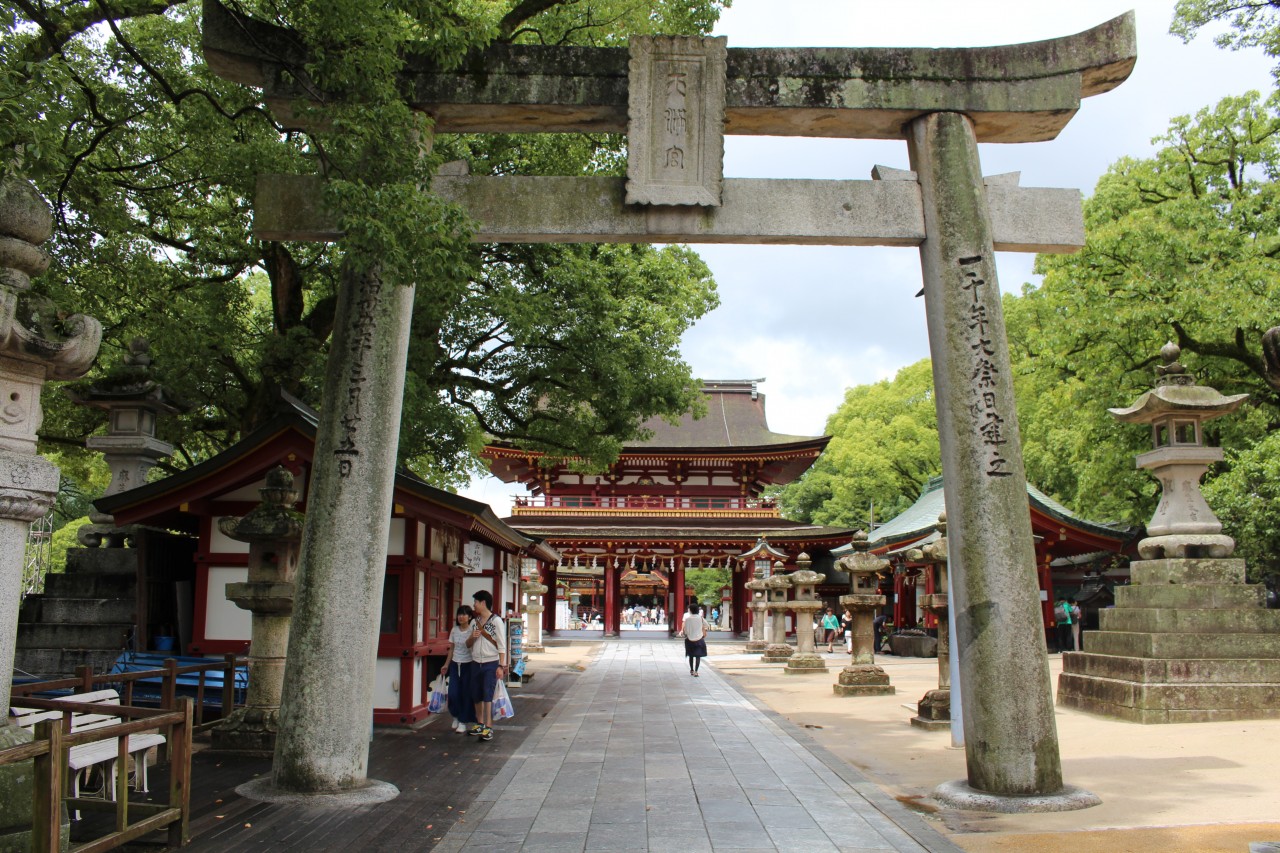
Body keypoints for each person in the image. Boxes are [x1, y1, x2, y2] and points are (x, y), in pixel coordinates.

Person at [466, 590, 507, 741]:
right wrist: (472, 637)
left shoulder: (496, 621)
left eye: (476, 602)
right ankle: (480, 723)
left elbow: (502, 645)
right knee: (476, 694)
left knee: (488, 694)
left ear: (483, 603)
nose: (474, 605)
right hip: (476, 661)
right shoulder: (474, 622)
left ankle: (488, 727)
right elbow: (467, 644)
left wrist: (501, 666)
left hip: (491, 662)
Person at [440, 605, 477, 733]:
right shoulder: (454, 630)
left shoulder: (472, 630)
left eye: (464, 614)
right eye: (459, 614)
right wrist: (446, 664)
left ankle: (463, 721)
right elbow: (451, 649)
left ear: (470, 617)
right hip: (455, 664)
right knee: (453, 693)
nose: (461, 617)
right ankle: (455, 715)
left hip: (468, 664)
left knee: (466, 693)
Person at [684, 602, 708, 676]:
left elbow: (686, 630)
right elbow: (706, 625)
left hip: (690, 639)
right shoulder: (700, 618)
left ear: (690, 610)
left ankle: (691, 669)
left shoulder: (687, 619)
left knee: (691, 656)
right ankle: (696, 671)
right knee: (698, 656)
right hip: (699, 639)